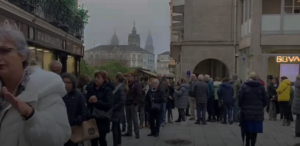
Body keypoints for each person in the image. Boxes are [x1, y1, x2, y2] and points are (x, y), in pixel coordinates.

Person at [0, 24, 70, 146]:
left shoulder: (45, 89)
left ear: (23, 55)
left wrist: (30, 115)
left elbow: (59, 137)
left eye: (4, 51)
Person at [238, 72, 267, 146]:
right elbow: (265, 99)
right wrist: (261, 106)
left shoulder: (244, 86)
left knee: (247, 128)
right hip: (257, 112)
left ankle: (247, 143)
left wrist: (241, 105)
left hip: (246, 111)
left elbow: (240, 98)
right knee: (255, 130)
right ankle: (253, 143)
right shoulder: (261, 87)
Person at [86, 71, 114, 146]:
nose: (96, 79)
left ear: (104, 79)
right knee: (93, 139)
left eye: (98, 78)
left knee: (102, 139)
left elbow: (109, 104)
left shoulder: (108, 89)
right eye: (95, 77)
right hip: (92, 117)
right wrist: (89, 101)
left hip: (102, 118)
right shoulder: (91, 88)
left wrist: (96, 102)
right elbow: (86, 102)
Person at [61, 73, 87, 146]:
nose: (65, 84)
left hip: (73, 130)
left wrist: (74, 121)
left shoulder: (79, 96)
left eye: (68, 82)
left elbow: (84, 114)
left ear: (73, 84)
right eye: (63, 82)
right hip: (59, 130)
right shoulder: (57, 95)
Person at [122, 74, 141, 138]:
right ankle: (129, 131)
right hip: (127, 103)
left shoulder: (136, 84)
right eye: (127, 76)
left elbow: (139, 94)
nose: (128, 77)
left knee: (134, 119)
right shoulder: (127, 84)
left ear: (133, 77)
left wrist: (135, 103)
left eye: (129, 76)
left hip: (133, 104)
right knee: (128, 119)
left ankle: (137, 133)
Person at [111, 73, 127, 146]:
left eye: (115, 78)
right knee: (117, 127)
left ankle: (116, 143)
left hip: (117, 110)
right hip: (118, 110)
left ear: (117, 78)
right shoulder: (120, 87)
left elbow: (122, 101)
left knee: (115, 128)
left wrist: (113, 108)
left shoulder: (120, 87)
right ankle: (119, 143)